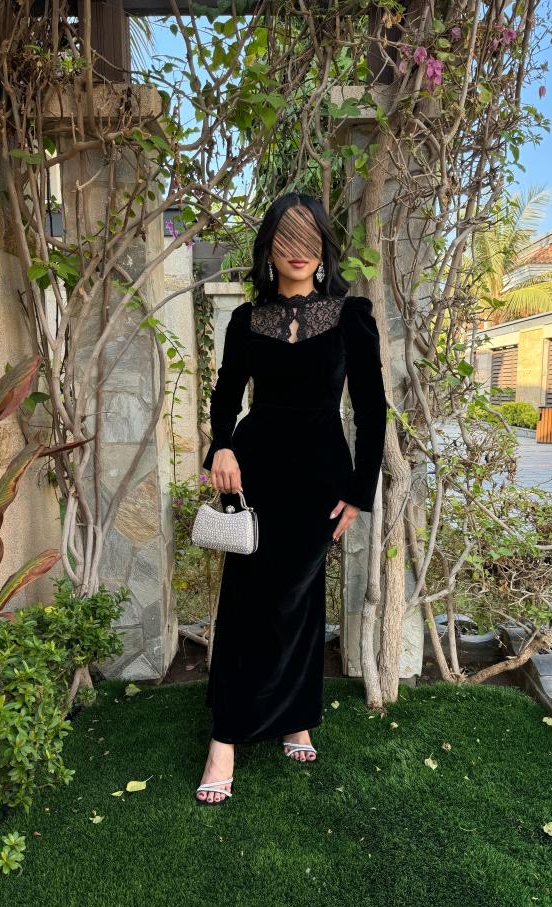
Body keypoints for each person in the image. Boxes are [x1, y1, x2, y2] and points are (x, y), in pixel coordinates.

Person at [195, 193, 388, 805]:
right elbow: (226, 396)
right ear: (268, 248)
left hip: (322, 482)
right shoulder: (246, 321)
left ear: (324, 246)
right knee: (247, 601)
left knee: (300, 600)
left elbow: (373, 410)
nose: (298, 249)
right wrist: (222, 447)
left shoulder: (351, 316)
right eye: (285, 237)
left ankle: (295, 715)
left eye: (309, 237)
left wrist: (359, 492)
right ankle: (225, 737)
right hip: (256, 475)